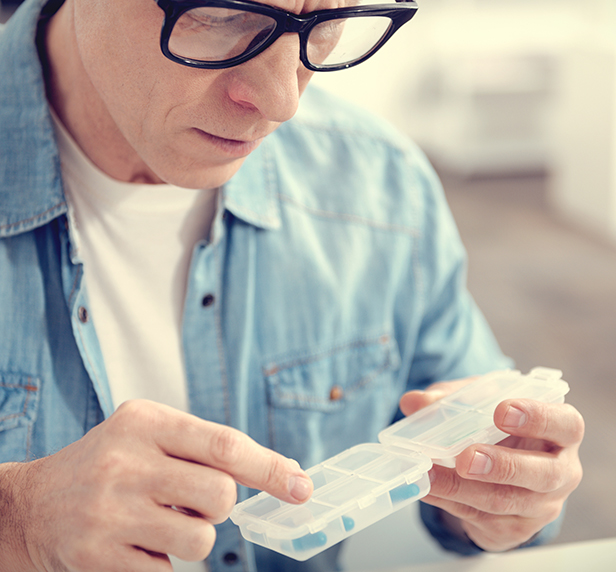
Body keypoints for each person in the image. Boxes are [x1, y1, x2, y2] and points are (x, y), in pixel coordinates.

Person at [0, 1, 584, 571]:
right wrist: (16, 518)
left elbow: (481, 442)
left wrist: (503, 491)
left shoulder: (382, 188)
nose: (281, 102)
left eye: (328, 21)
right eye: (223, 16)